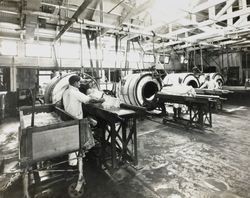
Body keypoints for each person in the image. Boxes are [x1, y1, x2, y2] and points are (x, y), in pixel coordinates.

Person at [62, 75, 104, 166]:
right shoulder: (75, 92)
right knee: (76, 142)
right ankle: (75, 165)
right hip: (76, 119)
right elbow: (88, 100)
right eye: (79, 82)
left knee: (72, 141)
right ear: (75, 83)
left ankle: (73, 161)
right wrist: (100, 100)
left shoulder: (66, 92)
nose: (80, 84)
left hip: (68, 118)